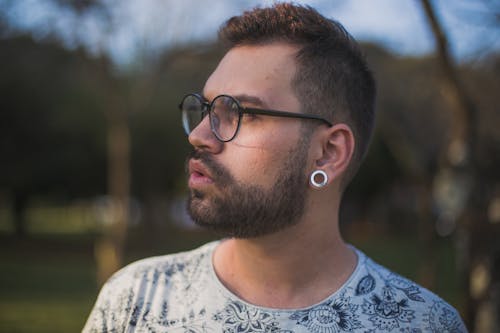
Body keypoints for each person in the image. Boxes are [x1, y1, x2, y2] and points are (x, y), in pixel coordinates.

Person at [83, 3, 467, 332]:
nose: (199, 135)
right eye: (206, 108)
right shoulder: (136, 300)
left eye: (240, 113)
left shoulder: (419, 323)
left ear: (329, 153)